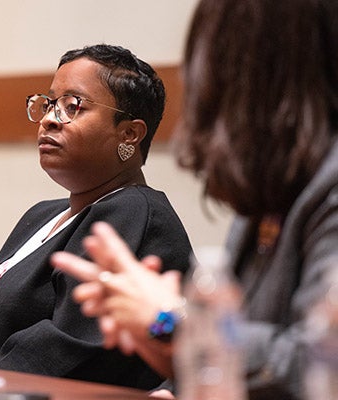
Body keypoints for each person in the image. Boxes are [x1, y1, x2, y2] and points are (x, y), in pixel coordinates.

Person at [51, 0, 338, 398]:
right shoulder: (271, 191)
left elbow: (318, 364)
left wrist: (170, 321)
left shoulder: (329, 185)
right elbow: (238, 355)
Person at [0, 44, 193, 390]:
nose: (50, 118)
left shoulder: (135, 211)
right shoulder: (42, 215)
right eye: (50, 103)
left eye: (73, 106)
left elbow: (72, 348)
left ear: (129, 134)